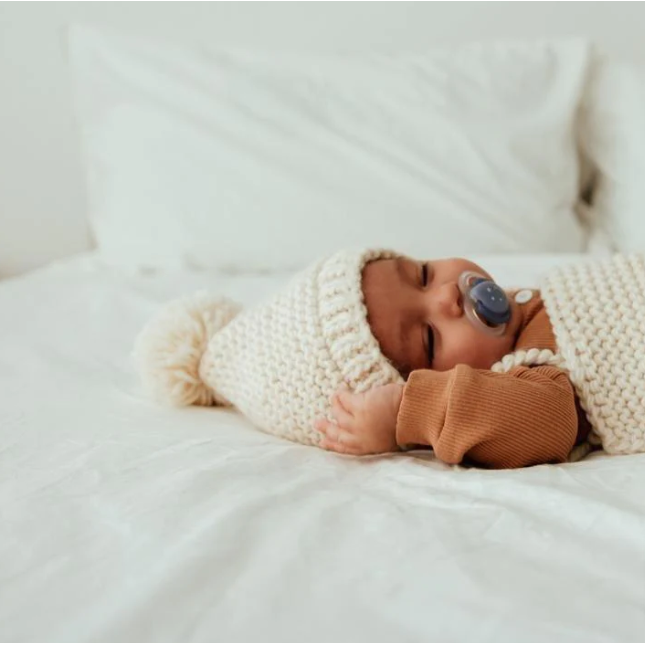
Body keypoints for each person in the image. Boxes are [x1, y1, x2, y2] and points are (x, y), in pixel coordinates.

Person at [314, 255, 591, 468]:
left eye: (423, 275)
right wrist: (411, 408)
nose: (447, 294)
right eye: (429, 339)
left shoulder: (541, 304)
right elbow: (548, 419)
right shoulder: (536, 380)